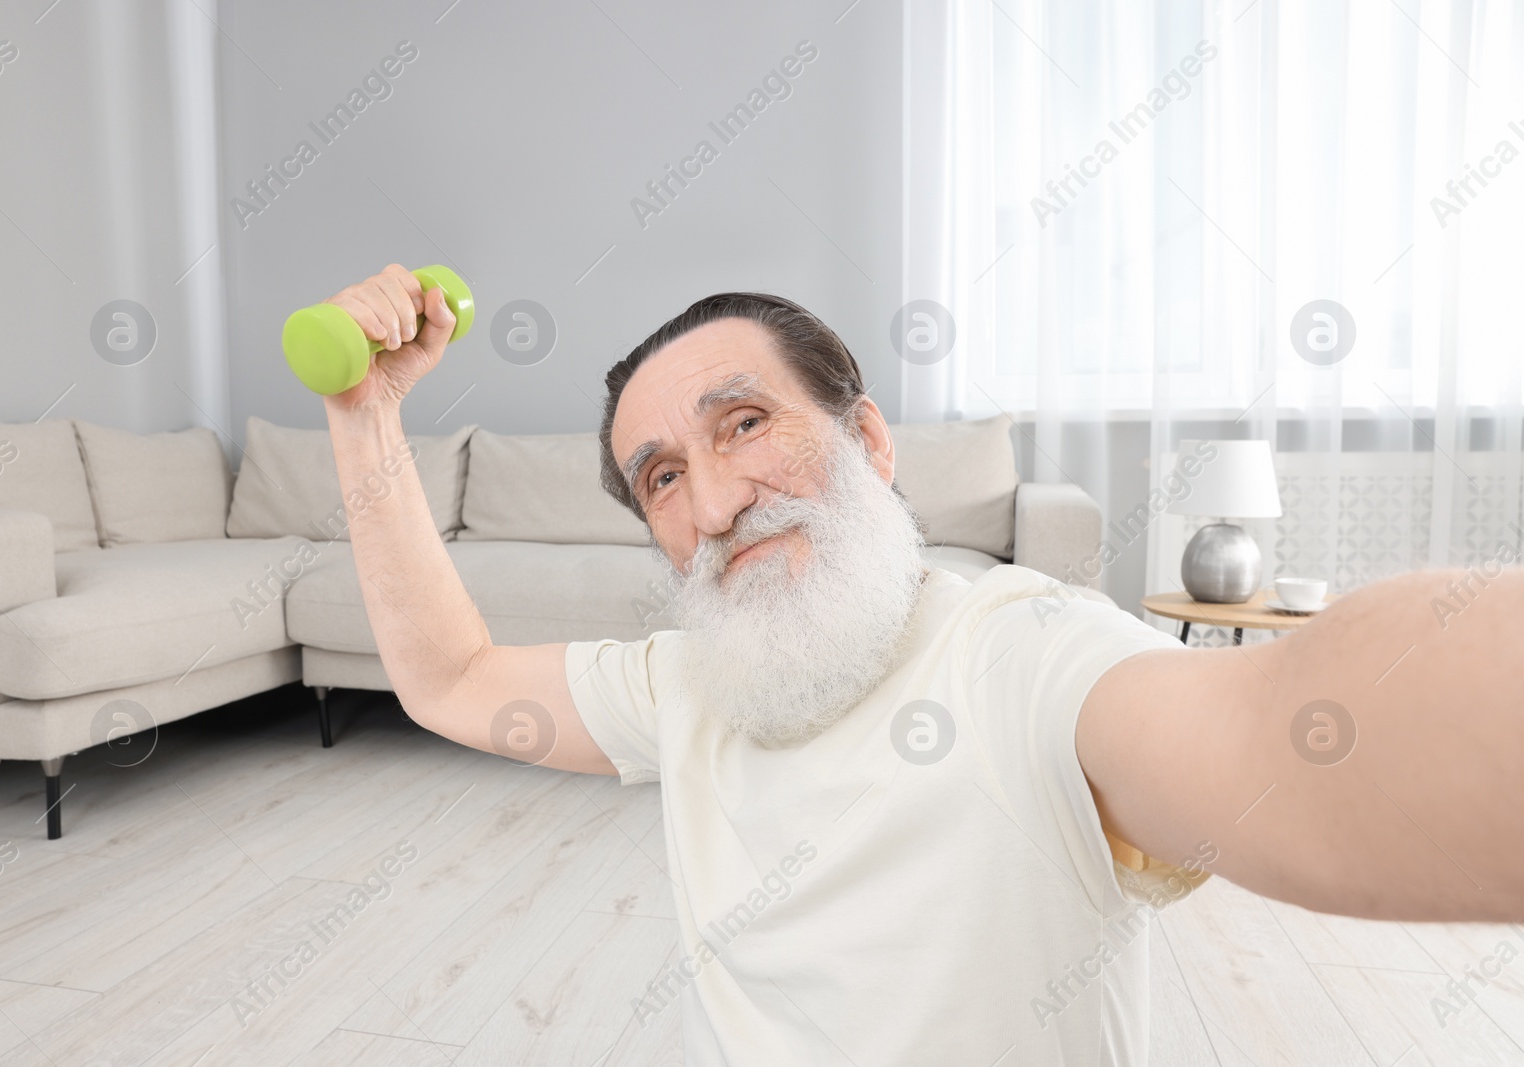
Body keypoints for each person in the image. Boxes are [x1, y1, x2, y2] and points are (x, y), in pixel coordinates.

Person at [316, 264, 1523, 1064]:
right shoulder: (681, 688)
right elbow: (452, 679)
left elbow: (1281, 735)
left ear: (869, 438)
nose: (721, 497)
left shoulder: (1019, 650)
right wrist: (365, 418)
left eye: (744, 423)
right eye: (665, 475)